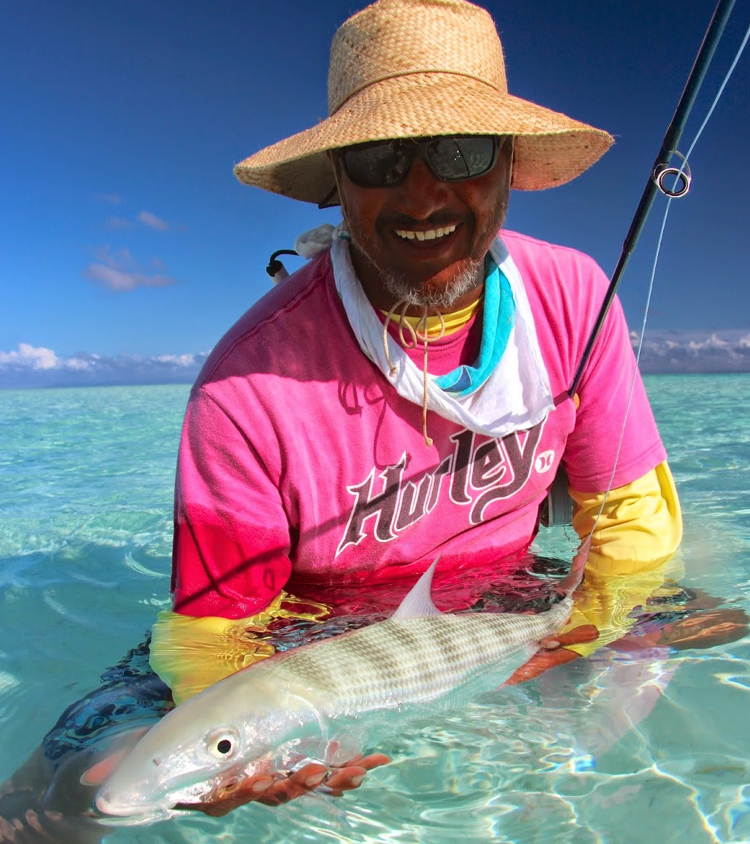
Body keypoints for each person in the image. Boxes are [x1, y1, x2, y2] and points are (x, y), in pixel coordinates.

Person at [142, 0, 687, 814]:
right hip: (325, 640)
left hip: (513, 599)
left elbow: (634, 527)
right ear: (336, 182)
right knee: (67, 785)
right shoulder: (244, 387)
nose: (424, 194)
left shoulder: (575, 298)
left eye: (459, 151)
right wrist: (239, 729)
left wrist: (587, 631)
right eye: (381, 158)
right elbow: (215, 632)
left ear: (508, 165)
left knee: (675, 641)